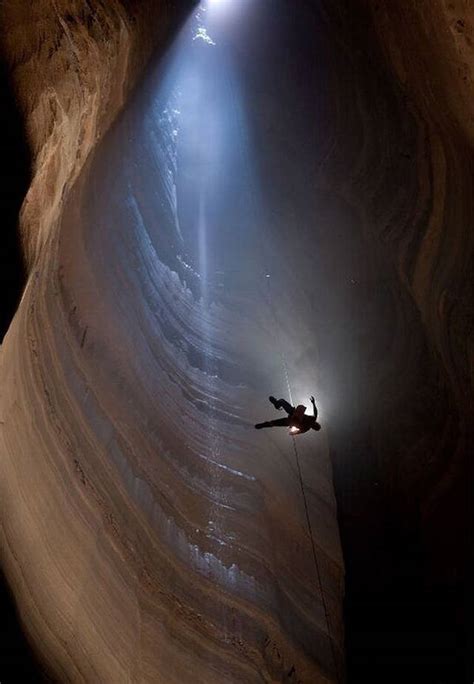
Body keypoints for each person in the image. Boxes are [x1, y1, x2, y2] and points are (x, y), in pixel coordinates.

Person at [255, 395, 321, 434]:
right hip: (292, 420)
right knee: (275, 423)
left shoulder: (312, 420)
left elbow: (315, 411)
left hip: (293, 416)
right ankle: (263, 425)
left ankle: (277, 404)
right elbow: (299, 432)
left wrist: (313, 403)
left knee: (282, 402)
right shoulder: (307, 428)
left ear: (316, 424)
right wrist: (292, 433)